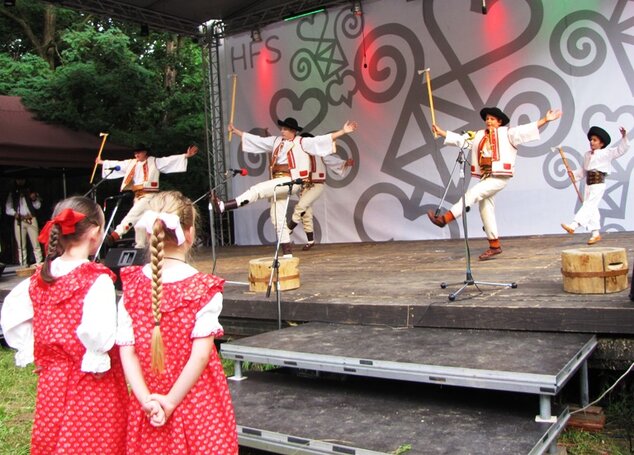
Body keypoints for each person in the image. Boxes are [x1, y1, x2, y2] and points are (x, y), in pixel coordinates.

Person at [0, 196, 128, 455]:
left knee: (56, 441)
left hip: (52, 384)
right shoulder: (97, 280)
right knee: (94, 444)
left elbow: (15, 321)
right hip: (93, 383)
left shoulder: (37, 279)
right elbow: (99, 336)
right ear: (94, 233)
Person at [116, 191, 238, 454]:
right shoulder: (203, 288)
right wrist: (170, 402)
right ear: (190, 234)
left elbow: (127, 352)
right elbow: (201, 356)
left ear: (149, 234)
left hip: (147, 396)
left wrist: (146, 400)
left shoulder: (132, 286)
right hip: (196, 400)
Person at [428, 107, 562, 260]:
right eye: (487, 119)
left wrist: (545, 120)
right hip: (486, 177)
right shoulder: (479, 136)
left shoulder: (507, 134)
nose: (489, 121)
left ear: (499, 122)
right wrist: (442, 132)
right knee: (486, 209)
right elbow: (462, 140)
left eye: (492, 119)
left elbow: (524, 130)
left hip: (499, 177)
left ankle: (445, 219)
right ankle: (494, 245)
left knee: (472, 194)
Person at [212, 117, 358, 257]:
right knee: (277, 219)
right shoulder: (276, 141)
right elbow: (258, 141)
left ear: (293, 131)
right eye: (282, 128)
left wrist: (343, 131)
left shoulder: (301, 142)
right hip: (279, 181)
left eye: (286, 129)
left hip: (291, 180)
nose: (282, 131)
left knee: (257, 190)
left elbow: (320, 140)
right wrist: (236, 131)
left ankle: (224, 205)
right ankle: (287, 254)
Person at [97, 143, 198, 248]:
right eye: (135, 153)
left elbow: (168, 160)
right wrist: (102, 162)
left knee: (133, 215)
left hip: (150, 197)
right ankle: (141, 246)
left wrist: (185, 156)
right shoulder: (132, 163)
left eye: (139, 152)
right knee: (140, 224)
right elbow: (118, 165)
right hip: (138, 197)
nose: (136, 155)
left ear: (145, 152)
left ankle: (115, 235)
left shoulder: (154, 162)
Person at [561, 126, 629, 244]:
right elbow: (583, 170)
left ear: (601, 143)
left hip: (598, 184)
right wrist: (574, 175)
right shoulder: (587, 155)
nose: (591, 142)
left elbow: (621, 150)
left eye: (595, 140)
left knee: (589, 204)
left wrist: (624, 137)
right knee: (592, 208)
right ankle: (595, 233)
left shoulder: (607, 153)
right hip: (588, 185)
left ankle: (574, 224)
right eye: (591, 140)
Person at [287, 132, 354, 250]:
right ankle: (310, 240)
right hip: (305, 186)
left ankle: (288, 229)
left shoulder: (320, 155)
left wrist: (345, 163)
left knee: (301, 206)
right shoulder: (301, 156)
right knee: (306, 213)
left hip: (317, 185)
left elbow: (332, 161)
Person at [5, 178, 43, 266]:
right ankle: (23, 264)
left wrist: (34, 199)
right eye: (18, 180)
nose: (20, 181)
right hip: (19, 220)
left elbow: (38, 206)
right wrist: (14, 213)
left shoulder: (31, 192)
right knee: (21, 245)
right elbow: (8, 208)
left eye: (22, 179)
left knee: (36, 243)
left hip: (31, 219)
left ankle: (39, 263)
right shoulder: (13, 193)